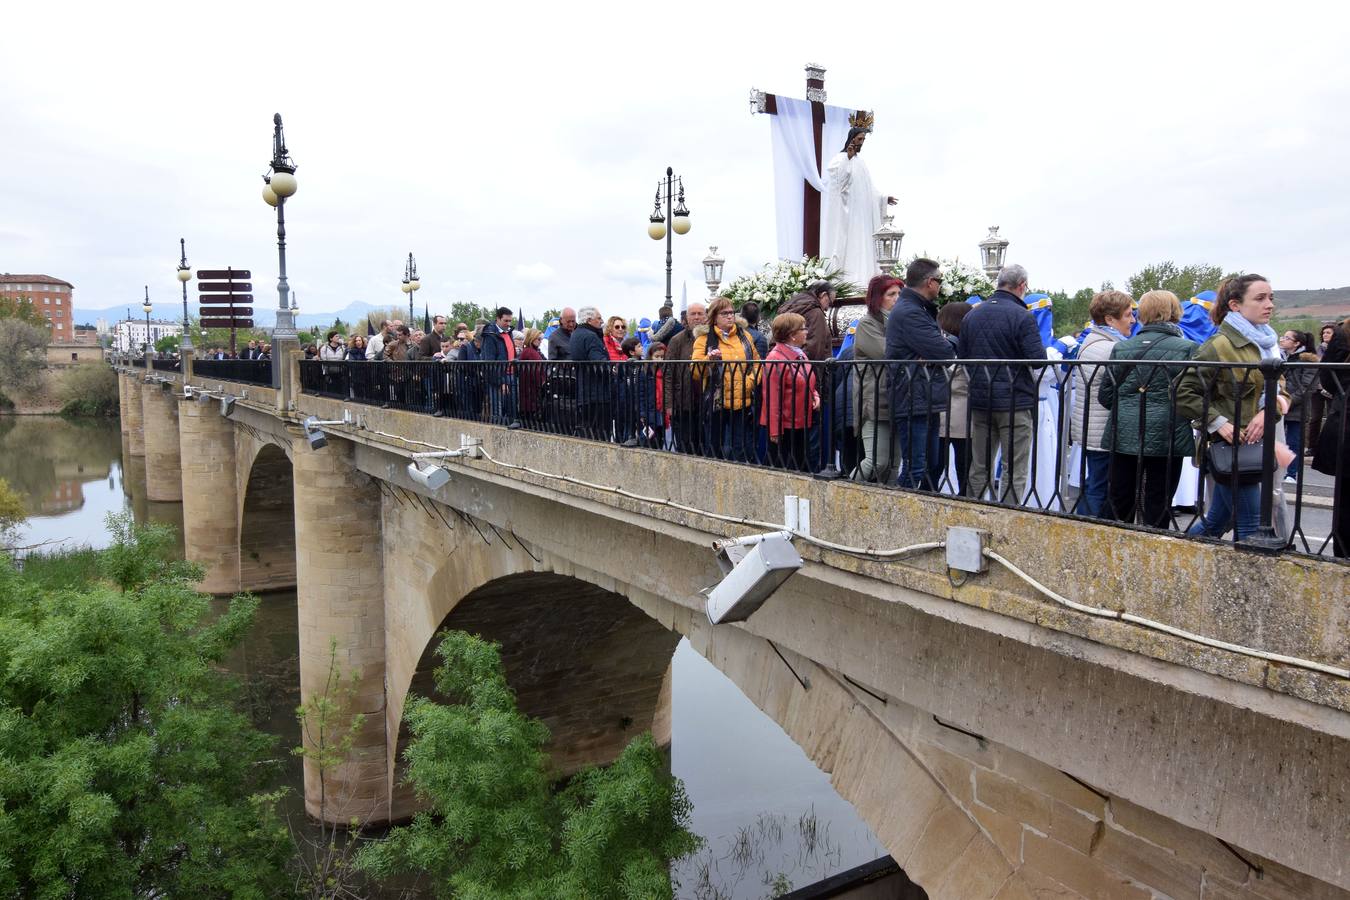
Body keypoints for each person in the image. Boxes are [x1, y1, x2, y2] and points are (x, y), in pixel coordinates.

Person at [1176, 274, 1289, 541]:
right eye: (1260, 298)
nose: (1269, 304)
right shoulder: (1220, 346)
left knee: (1218, 520)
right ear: (1235, 305)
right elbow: (1183, 392)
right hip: (1231, 448)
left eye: (1271, 298)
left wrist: (1267, 411)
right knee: (1250, 527)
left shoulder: (1267, 345)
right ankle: (1253, 581)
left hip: (1256, 445)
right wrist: (1218, 422)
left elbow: (1282, 390)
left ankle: (1177, 554)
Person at [1098, 290, 1198, 529]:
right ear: (1174, 312)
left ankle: (1108, 549)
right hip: (1168, 432)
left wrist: (1128, 411)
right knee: (1159, 501)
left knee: (1119, 499)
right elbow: (1191, 395)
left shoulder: (1122, 348)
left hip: (1124, 432)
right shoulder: (1187, 349)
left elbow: (1106, 394)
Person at [958, 263, 1047, 505]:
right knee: (1013, 468)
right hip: (1014, 401)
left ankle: (974, 512)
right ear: (1021, 286)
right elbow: (1038, 360)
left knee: (980, 466)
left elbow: (963, 356)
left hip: (980, 400)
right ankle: (1007, 518)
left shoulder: (972, 314)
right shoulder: (1023, 316)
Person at [886, 258, 956, 490]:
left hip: (923, 395)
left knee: (930, 465)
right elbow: (945, 352)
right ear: (929, 282)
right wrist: (945, 343)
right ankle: (896, 515)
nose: (940, 286)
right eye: (939, 281)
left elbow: (941, 349)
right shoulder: (910, 312)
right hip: (913, 395)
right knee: (917, 466)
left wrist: (943, 343)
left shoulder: (917, 309)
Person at [1069, 290, 1134, 517]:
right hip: (1101, 429)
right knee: (1100, 485)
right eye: (1127, 315)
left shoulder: (1097, 340)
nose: (1133, 320)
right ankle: (1087, 530)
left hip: (1093, 425)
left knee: (1097, 482)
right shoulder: (1108, 348)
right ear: (1109, 319)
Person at [820, 121, 896, 285]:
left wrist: (883, 198)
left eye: (863, 140)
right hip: (848, 217)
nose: (861, 143)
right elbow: (838, 184)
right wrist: (847, 159)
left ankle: (866, 281)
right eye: (859, 139)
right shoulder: (839, 159)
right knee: (850, 247)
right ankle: (848, 282)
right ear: (851, 139)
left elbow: (868, 189)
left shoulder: (861, 163)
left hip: (862, 216)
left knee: (864, 246)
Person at [692, 297, 761, 462]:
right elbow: (694, 371)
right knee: (716, 449)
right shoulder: (704, 339)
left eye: (731, 312)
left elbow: (757, 363)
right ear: (715, 316)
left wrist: (751, 381)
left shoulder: (745, 336)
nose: (730, 316)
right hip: (717, 403)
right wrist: (709, 360)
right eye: (724, 313)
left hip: (743, 402)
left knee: (741, 449)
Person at [852, 275, 899, 483]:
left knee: (893, 463)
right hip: (874, 401)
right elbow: (887, 353)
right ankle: (845, 494)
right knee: (876, 461)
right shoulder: (867, 324)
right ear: (878, 298)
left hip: (896, 401)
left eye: (900, 294)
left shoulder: (897, 321)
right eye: (891, 294)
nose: (897, 298)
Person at [761, 312, 819, 471]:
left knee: (801, 468)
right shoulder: (775, 358)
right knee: (783, 469)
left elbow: (808, 381)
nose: (807, 331)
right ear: (792, 335)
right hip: (785, 427)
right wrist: (774, 430)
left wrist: (815, 395)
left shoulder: (800, 355)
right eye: (803, 328)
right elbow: (772, 397)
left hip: (801, 423)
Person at [1311, 317, 1349, 556]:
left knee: (1345, 500)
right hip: (1344, 423)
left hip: (1344, 421)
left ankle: (1343, 555)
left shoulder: (1342, 336)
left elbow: (1328, 380)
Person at [937, 302, 973, 496]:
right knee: (963, 468)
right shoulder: (958, 345)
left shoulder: (944, 343)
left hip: (945, 412)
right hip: (961, 414)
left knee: (937, 467)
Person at [664, 302, 707, 455]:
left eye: (700, 314)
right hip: (683, 401)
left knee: (705, 445)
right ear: (687, 318)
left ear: (706, 316)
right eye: (693, 314)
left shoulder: (712, 338)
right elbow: (668, 373)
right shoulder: (677, 340)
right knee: (685, 445)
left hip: (707, 402)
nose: (696, 317)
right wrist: (669, 404)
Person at [1278, 330, 1319, 483]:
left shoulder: (1308, 361)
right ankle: (1278, 471)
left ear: (1297, 343)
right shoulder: (1281, 358)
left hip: (1296, 409)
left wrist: (1286, 401)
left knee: (1294, 442)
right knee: (1277, 441)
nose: (1282, 340)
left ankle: (1292, 473)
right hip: (1280, 406)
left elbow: (1307, 388)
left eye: (1287, 338)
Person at [569, 307, 611, 439]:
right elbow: (599, 363)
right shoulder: (591, 336)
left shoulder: (575, 334)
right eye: (598, 318)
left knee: (586, 432)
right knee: (600, 433)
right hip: (597, 394)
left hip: (584, 392)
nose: (601, 321)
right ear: (589, 320)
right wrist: (612, 371)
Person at [481, 307, 519, 427]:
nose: (508, 324)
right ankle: (497, 435)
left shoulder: (508, 333)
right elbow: (490, 362)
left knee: (512, 408)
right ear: (498, 319)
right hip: (497, 378)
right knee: (498, 411)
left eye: (510, 321)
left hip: (511, 375)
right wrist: (500, 382)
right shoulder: (490, 335)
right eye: (505, 321)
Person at [779, 281, 835, 362]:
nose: (827, 308)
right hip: (805, 369)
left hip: (782, 363)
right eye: (829, 303)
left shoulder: (789, 306)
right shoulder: (816, 313)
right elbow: (814, 347)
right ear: (823, 295)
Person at [637, 342, 667, 449]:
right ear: (650, 356)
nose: (660, 359)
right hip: (649, 412)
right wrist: (642, 413)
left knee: (660, 439)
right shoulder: (644, 372)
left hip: (661, 411)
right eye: (656, 356)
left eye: (662, 357)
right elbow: (640, 395)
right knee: (649, 440)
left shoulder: (664, 371)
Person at [517, 327, 546, 428]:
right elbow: (536, 372)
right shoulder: (530, 352)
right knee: (531, 422)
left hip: (529, 391)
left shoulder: (531, 351)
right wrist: (543, 384)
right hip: (530, 391)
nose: (540, 341)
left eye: (541, 339)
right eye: (538, 339)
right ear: (532, 338)